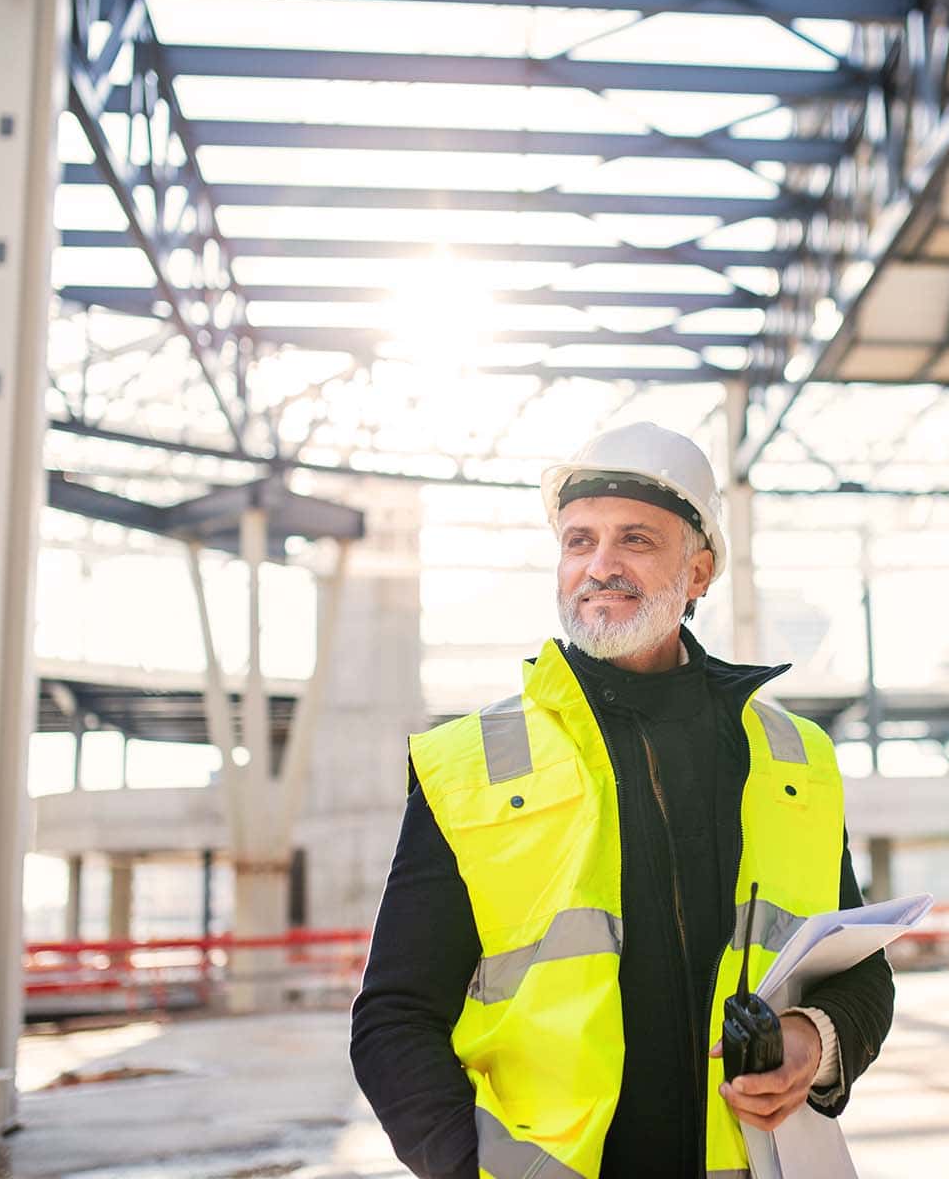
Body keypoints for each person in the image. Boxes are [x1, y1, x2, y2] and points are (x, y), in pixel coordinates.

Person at [351, 422, 896, 1179]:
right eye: (578, 541)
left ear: (699, 572)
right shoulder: (469, 765)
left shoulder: (792, 758)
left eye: (635, 539)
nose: (599, 566)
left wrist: (814, 1038)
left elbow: (861, 974)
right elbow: (394, 1020)